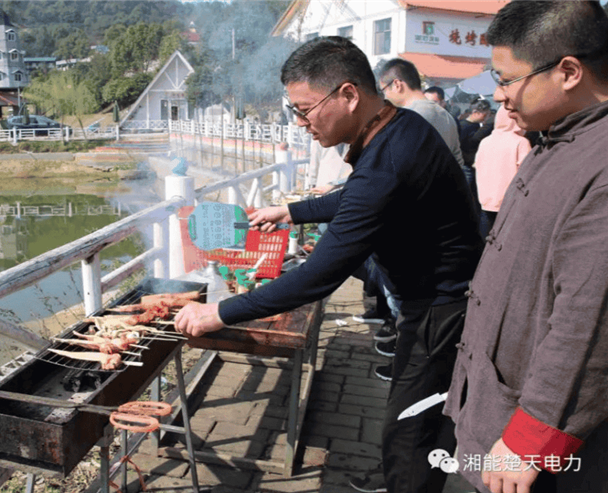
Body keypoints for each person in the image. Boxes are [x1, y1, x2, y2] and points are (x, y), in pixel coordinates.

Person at [174, 36, 483, 493]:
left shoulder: (387, 160)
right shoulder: (399, 128)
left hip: (442, 309)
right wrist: (291, 211)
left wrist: (219, 312)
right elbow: (356, 198)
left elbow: (318, 276)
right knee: (409, 424)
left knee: (411, 432)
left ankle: (406, 482)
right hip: (433, 301)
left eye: (305, 110)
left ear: (349, 95)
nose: (300, 124)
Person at [442, 2, 608, 493]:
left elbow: (588, 320)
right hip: (496, 408)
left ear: (569, 72)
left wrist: (530, 438)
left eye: (507, 79)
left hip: (528, 446)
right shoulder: (556, 138)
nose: (499, 94)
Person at [379, 59, 465, 168]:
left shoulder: (406, 118)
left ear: (397, 85)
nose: (385, 97)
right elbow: (457, 161)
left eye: (384, 90)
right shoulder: (447, 117)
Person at [472, 104, 531, 237]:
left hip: (486, 200)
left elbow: (477, 165)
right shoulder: (521, 142)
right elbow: (527, 172)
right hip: (511, 202)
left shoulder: (485, 141)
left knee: (486, 239)